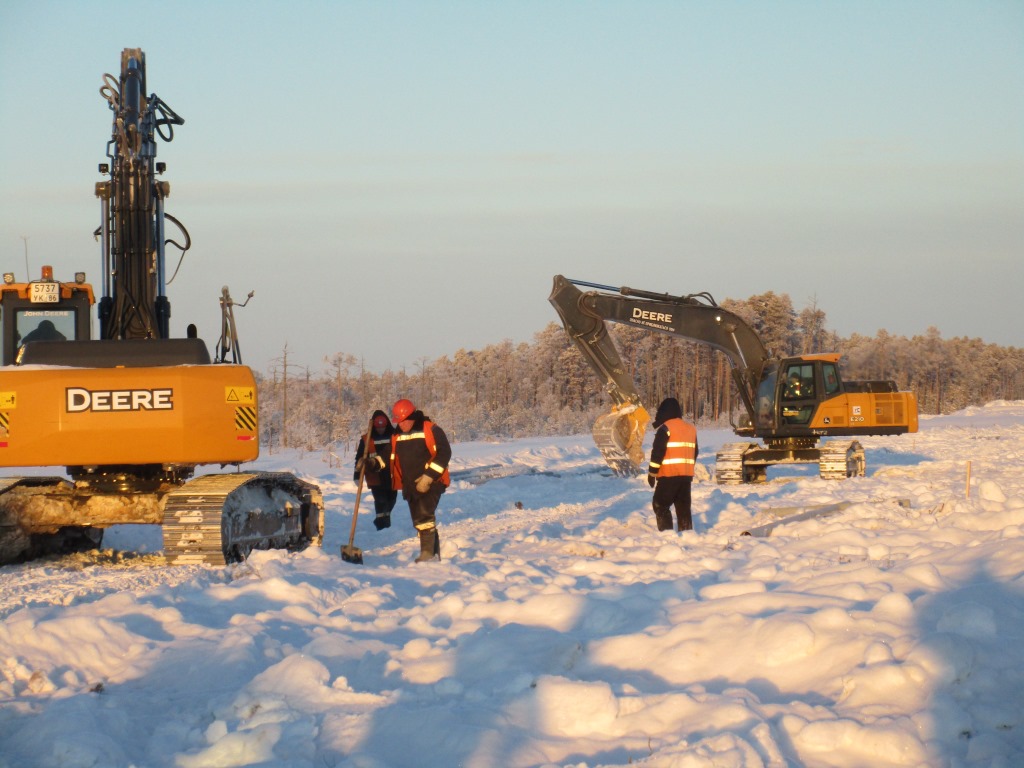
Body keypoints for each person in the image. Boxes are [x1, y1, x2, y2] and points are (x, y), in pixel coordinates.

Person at [389, 398, 451, 562]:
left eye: (403, 421)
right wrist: (373, 463)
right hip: (410, 485)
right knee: (420, 520)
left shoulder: (431, 429)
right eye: (398, 422)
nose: (400, 424)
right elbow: (391, 457)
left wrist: (429, 477)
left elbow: (444, 453)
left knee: (424, 516)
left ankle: (427, 555)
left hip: (432, 482)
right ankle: (434, 554)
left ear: (412, 416)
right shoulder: (397, 435)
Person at [646, 397, 698, 533]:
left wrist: (652, 473)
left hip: (668, 476)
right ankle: (687, 534)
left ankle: (667, 536)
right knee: (683, 509)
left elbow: (657, 453)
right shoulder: (691, 429)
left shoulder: (666, 428)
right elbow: (695, 452)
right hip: (686, 478)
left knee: (660, 505)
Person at [354, 410, 398, 530]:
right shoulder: (366, 439)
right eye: (378, 428)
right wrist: (357, 475)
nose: (380, 430)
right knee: (381, 500)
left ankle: (386, 521)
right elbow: (359, 459)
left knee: (392, 499)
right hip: (374, 476)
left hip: (391, 475)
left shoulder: (394, 436)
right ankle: (381, 524)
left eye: (383, 427)